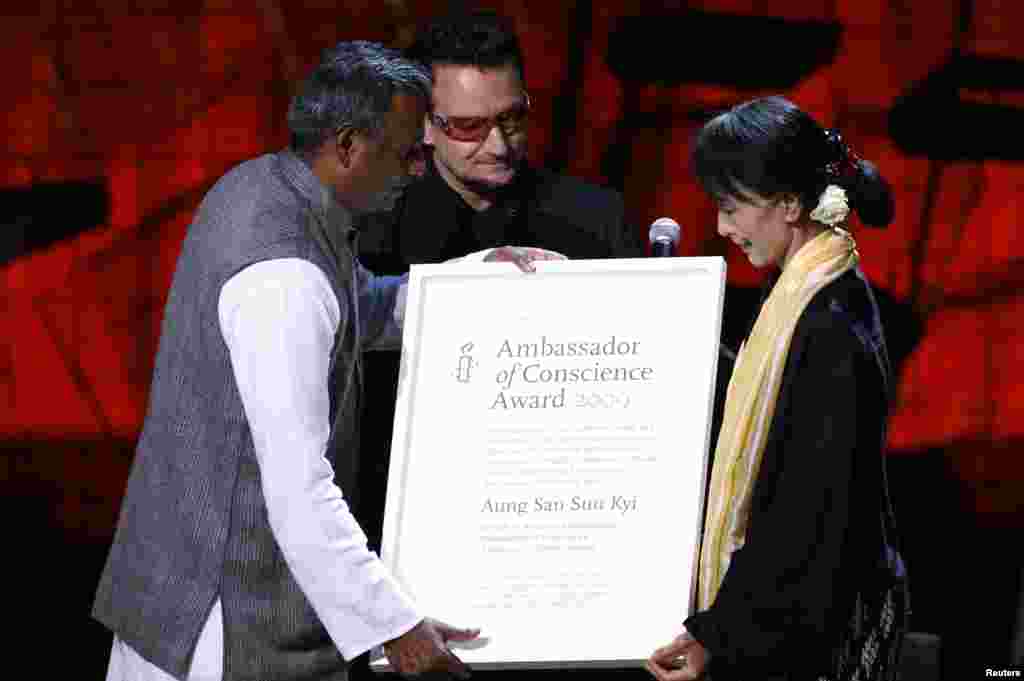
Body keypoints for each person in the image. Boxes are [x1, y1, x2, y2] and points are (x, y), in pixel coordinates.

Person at [92, 41, 553, 681]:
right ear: (347, 146)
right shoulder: (283, 272)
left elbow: (355, 305)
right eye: (404, 154)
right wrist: (398, 627)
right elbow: (300, 493)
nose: (418, 171)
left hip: (176, 600)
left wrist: (470, 285)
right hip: (221, 622)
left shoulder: (263, 186)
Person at [353, 8, 649, 557]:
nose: (499, 144)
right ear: (422, 123)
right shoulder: (372, 231)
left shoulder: (596, 220)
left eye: (513, 119)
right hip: (403, 524)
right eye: (469, 127)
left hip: (565, 517)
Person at [646, 96, 908, 681]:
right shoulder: (802, 291)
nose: (721, 227)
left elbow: (803, 509)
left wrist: (721, 631)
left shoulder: (830, 319)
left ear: (790, 205)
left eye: (733, 207)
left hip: (823, 635)